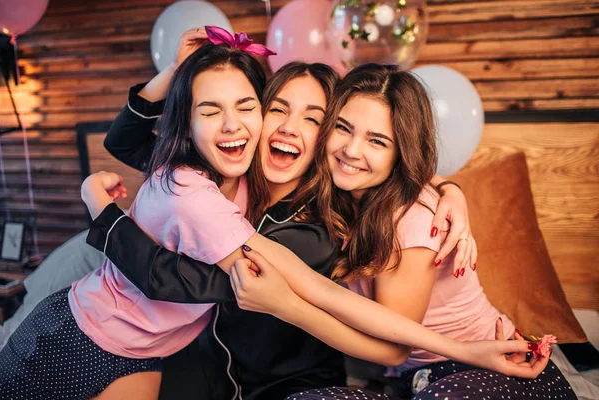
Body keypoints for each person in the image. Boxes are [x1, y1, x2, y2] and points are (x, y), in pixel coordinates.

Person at [83, 40, 547, 400]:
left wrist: (104, 217)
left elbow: (171, 279)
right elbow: (127, 144)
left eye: (312, 119)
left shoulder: (322, 229)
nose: (288, 127)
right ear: (255, 116)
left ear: (320, 135)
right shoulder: (226, 179)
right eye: (277, 109)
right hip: (209, 364)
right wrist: (177, 70)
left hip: (285, 378)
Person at [229, 64, 576, 400]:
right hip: (411, 383)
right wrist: (450, 187)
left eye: (377, 142)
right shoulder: (335, 191)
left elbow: (393, 349)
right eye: (343, 128)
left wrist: (284, 305)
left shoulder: (412, 218)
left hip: (492, 368)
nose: (351, 150)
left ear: (400, 153)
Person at [0, 27, 271, 399]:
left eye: (246, 105)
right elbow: (121, 141)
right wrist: (175, 71)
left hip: (146, 341)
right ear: (188, 126)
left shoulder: (254, 181)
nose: (231, 123)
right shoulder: (181, 174)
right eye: (210, 110)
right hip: (90, 305)